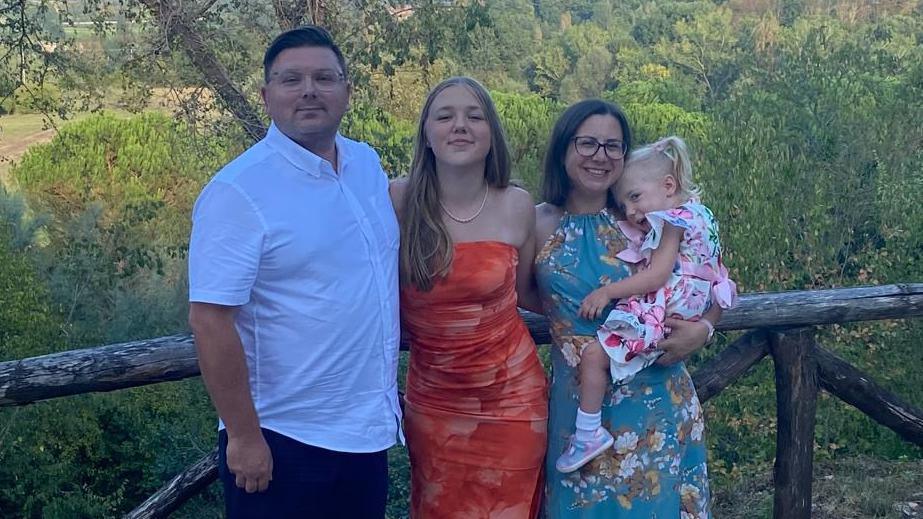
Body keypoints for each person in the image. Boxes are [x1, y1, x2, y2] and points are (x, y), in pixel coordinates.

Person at [187, 26, 401, 518]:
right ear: (266, 96)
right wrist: (243, 436)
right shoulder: (238, 192)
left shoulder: (366, 165)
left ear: (347, 91)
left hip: (367, 435)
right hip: (283, 441)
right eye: (291, 80)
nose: (309, 90)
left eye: (324, 78)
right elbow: (208, 320)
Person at [533, 99, 721, 518]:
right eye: (587, 143)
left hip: (658, 404)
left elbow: (714, 278)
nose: (600, 156)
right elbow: (513, 294)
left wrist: (704, 329)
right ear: (564, 147)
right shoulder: (536, 222)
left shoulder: (643, 214)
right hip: (580, 411)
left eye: (612, 146)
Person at [389, 76, 548, 518]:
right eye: (445, 116)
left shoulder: (517, 204)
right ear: (426, 132)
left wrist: (631, 306)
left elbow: (530, 295)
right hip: (434, 404)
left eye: (473, 116)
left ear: (491, 132)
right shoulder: (396, 201)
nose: (460, 125)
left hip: (514, 401)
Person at [554, 135, 737, 474]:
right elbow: (717, 273)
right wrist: (706, 322)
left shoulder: (671, 221)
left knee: (594, 356)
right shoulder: (703, 214)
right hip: (691, 307)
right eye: (624, 206)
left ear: (669, 185)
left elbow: (656, 276)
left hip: (664, 310)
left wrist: (608, 293)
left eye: (635, 198)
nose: (632, 211)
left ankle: (587, 433)